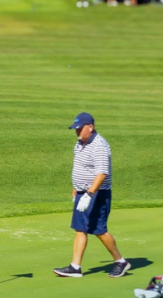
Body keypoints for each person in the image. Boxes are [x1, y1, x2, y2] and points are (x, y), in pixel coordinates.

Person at [54, 113, 131, 279]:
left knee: (98, 230)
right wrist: (77, 188)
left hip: (97, 194)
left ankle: (120, 261)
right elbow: (82, 167)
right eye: (76, 129)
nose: (77, 132)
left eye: (80, 129)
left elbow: (102, 173)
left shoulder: (99, 145)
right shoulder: (80, 142)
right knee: (80, 228)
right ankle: (75, 267)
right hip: (83, 192)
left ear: (90, 127)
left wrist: (89, 194)